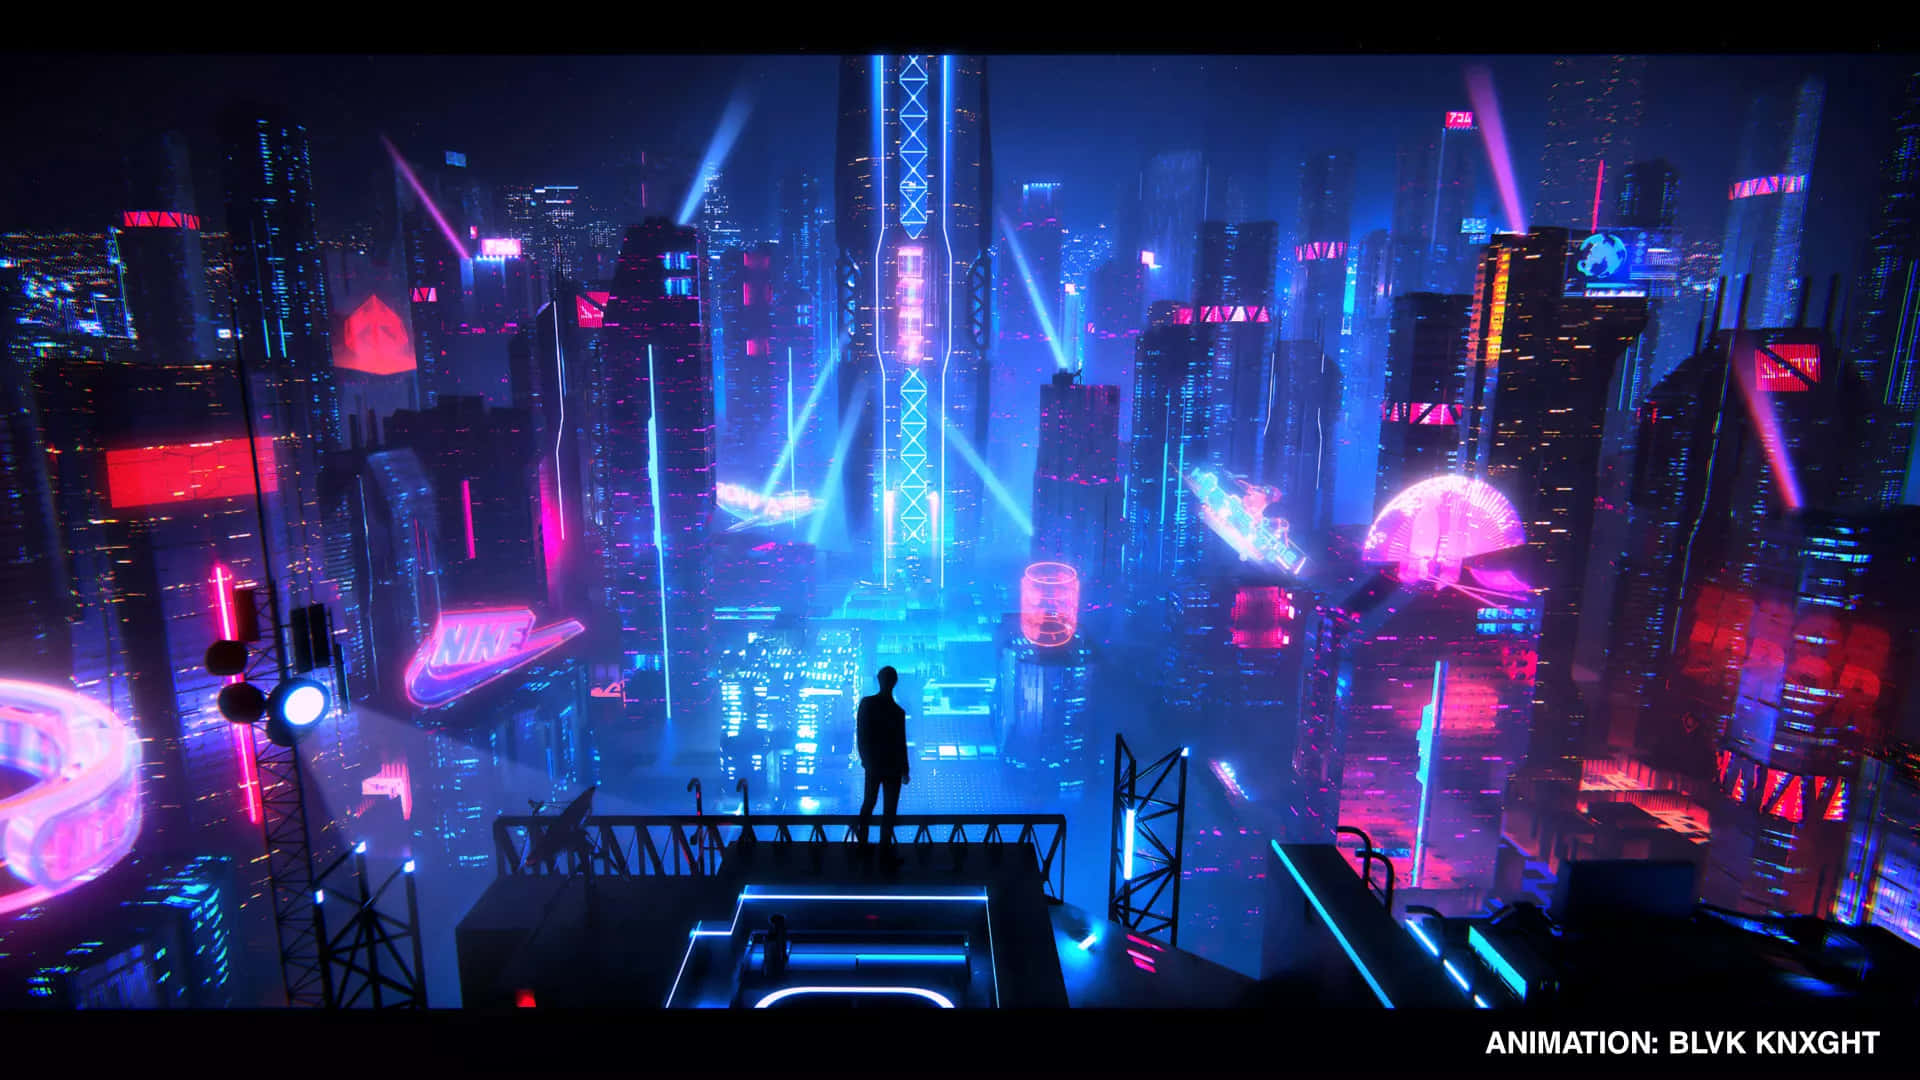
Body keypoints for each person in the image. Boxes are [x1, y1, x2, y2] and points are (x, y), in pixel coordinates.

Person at [855, 665, 909, 860]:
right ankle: (884, 852)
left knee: (870, 803)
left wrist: (866, 760)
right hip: (891, 766)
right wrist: (905, 769)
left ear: (879, 680)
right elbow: (901, 743)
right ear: (894, 682)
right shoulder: (897, 712)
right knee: (889, 810)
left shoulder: (867, 704)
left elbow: (861, 734)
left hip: (875, 765)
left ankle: (862, 846)